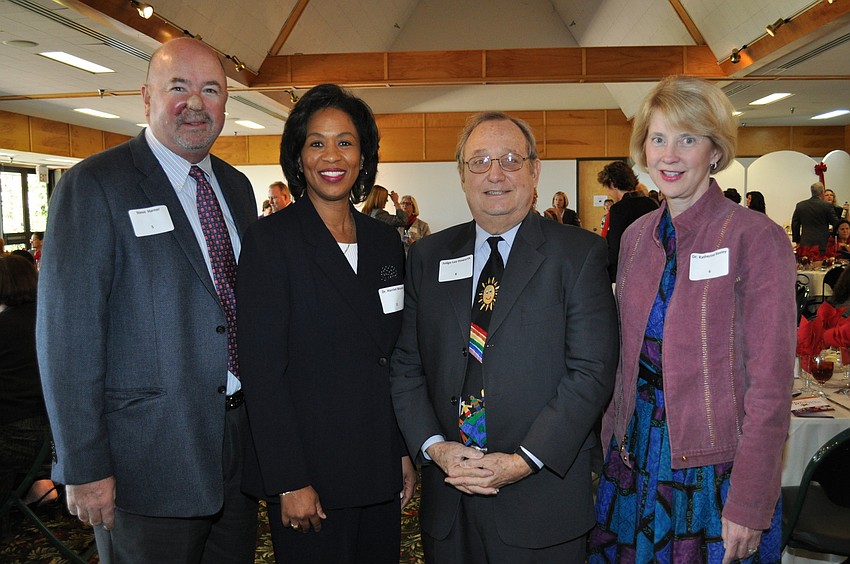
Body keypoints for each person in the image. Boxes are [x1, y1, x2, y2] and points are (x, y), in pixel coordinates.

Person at [36, 37, 259, 563]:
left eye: (211, 89)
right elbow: (67, 339)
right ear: (146, 97)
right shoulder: (95, 186)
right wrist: (83, 465)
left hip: (237, 445)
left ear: (226, 102)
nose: (195, 103)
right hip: (147, 458)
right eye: (178, 87)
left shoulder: (237, 187)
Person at [390, 111, 619, 562]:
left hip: (540, 500)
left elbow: (591, 373)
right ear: (461, 175)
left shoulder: (578, 255)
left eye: (511, 160)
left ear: (535, 171)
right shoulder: (427, 256)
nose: (495, 174)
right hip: (449, 497)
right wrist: (435, 449)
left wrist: (522, 461)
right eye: (479, 161)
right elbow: (406, 364)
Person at [588, 75, 795, 564]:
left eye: (688, 139)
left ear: (715, 150)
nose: (670, 155)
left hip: (712, 471)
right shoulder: (637, 236)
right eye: (658, 139)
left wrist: (749, 498)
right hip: (635, 456)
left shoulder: (756, 239)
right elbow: (623, 358)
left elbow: (770, 386)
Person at [237, 83, 416, 564]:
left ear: (363, 156)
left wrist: (400, 449)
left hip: (377, 461)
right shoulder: (270, 242)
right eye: (316, 142)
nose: (331, 155)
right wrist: (288, 478)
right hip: (310, 472)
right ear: (298, 157)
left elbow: (393, 356)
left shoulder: (384, 242)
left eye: (345, 141)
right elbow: (262, 372)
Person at [0, 255, 57, 507]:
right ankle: (37, 485)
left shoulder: (4, 326)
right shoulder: (53, 319)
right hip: (58, 437)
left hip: (17, 439)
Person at [599, 160, 657, 282]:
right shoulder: (651, 204)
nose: (608, 193)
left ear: (612, 183)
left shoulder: (618, 209)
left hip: (627, 273)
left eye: (607, 188)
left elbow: (615, 250)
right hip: (651, 270)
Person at [792, 181, 841, 256]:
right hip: (822, 243)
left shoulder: (800, 205)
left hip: (805, 242)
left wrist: (797, 240)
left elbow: (795, 224)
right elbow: (836, 223)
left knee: (806, 265)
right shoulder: (827, 206)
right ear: (822, 192)